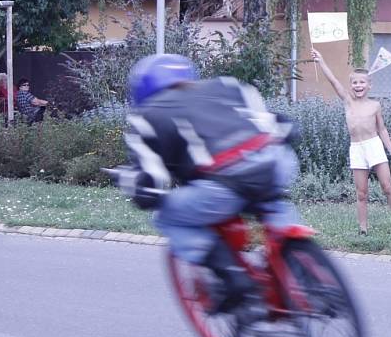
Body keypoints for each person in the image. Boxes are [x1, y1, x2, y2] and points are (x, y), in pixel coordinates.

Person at [120, 54, 302, 317]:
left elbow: (151, 183)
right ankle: (295, 258)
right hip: (276, 164)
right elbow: (277, 124)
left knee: (167, 217)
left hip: (225, 184)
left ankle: (233, 275)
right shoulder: (228, 86)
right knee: (272, 200)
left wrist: (138, 188)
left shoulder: (147, 116)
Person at [311, 48, 391, 235]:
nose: (358, 85)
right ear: (351, 85)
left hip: (374, 146)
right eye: (354, 82)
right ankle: (363, 229)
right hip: (357, 148)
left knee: (387, 186)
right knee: (361, 193)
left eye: (362, 82)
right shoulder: (348, 101)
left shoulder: (375, 105)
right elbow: (333, 81)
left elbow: (382, 129)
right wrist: (321, 61)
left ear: (369, 85)